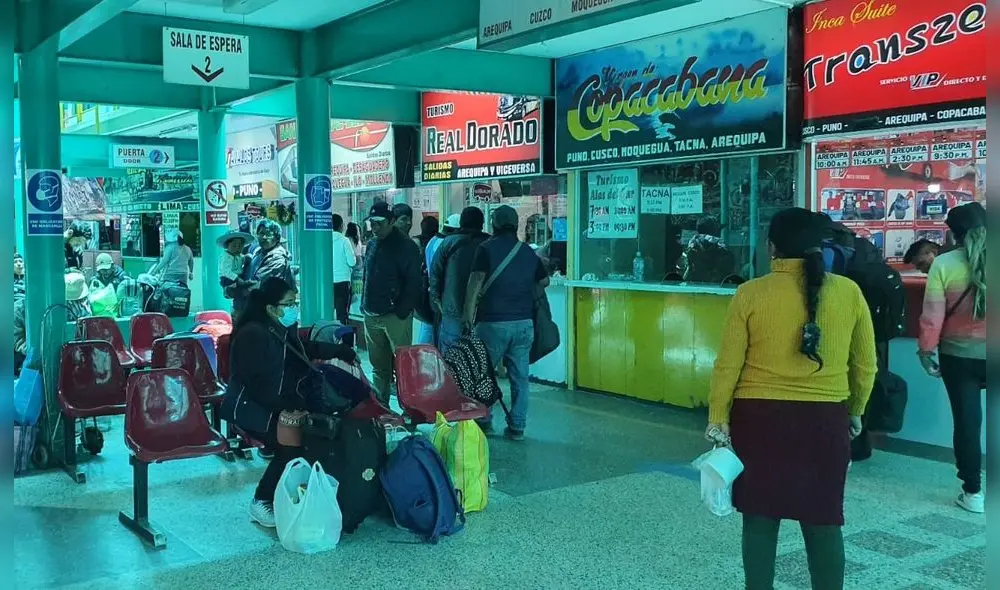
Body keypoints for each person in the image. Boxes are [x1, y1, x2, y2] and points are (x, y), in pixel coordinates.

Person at [707, 208, 877, 590]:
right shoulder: (848, 293)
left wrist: (718, 415)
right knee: (823, 519)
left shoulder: (750, 293)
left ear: (772, 248)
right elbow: (865, 364)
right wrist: (855, 410)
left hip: (759, 420)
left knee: (760, 517)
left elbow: (727, 364)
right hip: (825, 420)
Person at [222, 278, 356, 528]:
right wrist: (285, 405)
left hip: (278, 403)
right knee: (293, 444)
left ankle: (298, 492)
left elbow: (302, 349)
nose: (294, 308)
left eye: (295, 302)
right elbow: (255, 384)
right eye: (289, 303)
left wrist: (336, 351)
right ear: (271, 307)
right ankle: (261, 500)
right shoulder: (252, 333)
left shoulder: (279, 328)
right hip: (251, 408)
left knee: (317, 435)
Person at [917, 202, 986, 514]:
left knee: (967, 423)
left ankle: (973, 493)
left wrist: (926, 350)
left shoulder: (944, 264)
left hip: (958, 356)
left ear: (952, 233)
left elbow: (933, 317)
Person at [463, 205, 549, 440]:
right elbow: (545, 280)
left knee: (484, 373)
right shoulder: (527, 252)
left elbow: (475, 283)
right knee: (520, 376)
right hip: (523, 323)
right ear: (516, 225)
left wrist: (467, 316)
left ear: (495, 224)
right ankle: (517, 426)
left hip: (492, 322)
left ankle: (484, 419)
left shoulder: (486, 249)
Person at [361, 202, 422, 404]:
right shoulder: (372, 243)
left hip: (395, 316)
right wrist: (364, 305)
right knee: (379, 367)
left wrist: (402, 311)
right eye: (372, 223)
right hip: (371, 314)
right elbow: (366, 277)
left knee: (403, 367)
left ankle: (409, 411)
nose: (375, 228)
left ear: (392, 221)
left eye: (379, 223)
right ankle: (381, 409)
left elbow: (414, 283)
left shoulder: (407, 247)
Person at [430, 207, 490, 353]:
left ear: (461, 222)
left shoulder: (448, 242)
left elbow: (435, 272)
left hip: (452, 306)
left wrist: (437, 300)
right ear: (482, 223)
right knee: (480, 355)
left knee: (451, 354)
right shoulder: (489, 243)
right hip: (483, 309)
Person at [247, 219, 294, 288]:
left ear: (277, 238)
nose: (264, 237)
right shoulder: (258, 252)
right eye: (261, 233)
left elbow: (259, 284)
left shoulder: (277, 258)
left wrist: (236, 288)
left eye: (268, 234)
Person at [217, 230, 254, 314]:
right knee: (239, 291)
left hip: (237, 277)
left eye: (240, 246)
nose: (237, 248)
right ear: (227, 245)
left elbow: (244, 259)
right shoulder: (226, 257)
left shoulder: (240, 256)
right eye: (234, 245)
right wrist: (237, 279)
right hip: (227, 279)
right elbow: (225, 271)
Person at [332, 214, 357, 325]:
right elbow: (352, 262)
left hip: (328, 282)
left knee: (328, 313)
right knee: (342, 314)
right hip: (343, 282)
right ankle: (344, 340)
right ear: (341, 226)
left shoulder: (323, 240)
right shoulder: (344, 241)